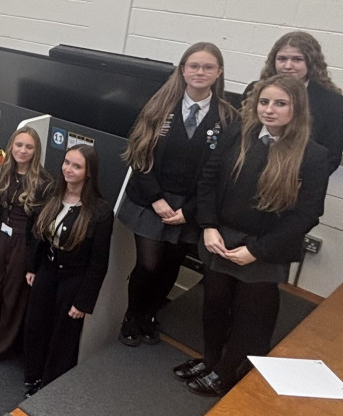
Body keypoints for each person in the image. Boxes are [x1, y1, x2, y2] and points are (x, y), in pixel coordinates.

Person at [177, 75, 328, 396]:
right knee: (215, 303)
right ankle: (211, 358)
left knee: (251, 315)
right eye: (264, 102)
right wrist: (208, 226)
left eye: (280, 103)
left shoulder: (312, 155)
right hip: (221, 237)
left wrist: (257, 250)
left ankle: (228, 371)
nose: (269, 110)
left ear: (297, 108)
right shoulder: (238, 134)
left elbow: (307, 214)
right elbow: (208, 180)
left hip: (265, 248)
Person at [116, 42, 241, 347]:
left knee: (172, 264)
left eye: (208, 67)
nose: (200, 72)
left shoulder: (228, 118)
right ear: (183, 70)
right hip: (150, 199)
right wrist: (157, 200)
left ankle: (150, 315)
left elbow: (222, 174)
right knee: (149, 264)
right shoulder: (159, 107)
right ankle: (133, 316)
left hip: (193, 206)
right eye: (194, 66)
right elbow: (138, 156)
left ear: (219, 73)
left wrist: (190, 210)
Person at [23, 144, 113, 397]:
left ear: (89, 173)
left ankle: (50, 385)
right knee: (35, 325)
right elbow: (35, 233)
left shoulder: (100, 211)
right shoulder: (51, 193)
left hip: (74, 279)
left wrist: (83, 302)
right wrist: (32, 267)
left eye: (76, 166)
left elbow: (99, 263)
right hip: (47, 271)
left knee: (62, 335)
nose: (68, 169)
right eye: (66, 162)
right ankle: (33, 376)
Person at [0, 127, 53, 364]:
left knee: (13, 296)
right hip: (2, 234)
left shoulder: (43, 181)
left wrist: (33, 262)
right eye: (19, 145)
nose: (22, 150)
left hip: (24, 240)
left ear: (36, 150)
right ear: (12, 145)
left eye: (29, 147)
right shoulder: (3, 170)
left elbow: (41, 227)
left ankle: (0, 347)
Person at [244, 31, 343, 174]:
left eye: (297, 59)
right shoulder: (255, 90)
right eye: (282, 59)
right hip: (248, 173)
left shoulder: (334, 102)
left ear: (311, 62)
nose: (288, 65)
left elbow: (330, 157)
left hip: (297, 182)